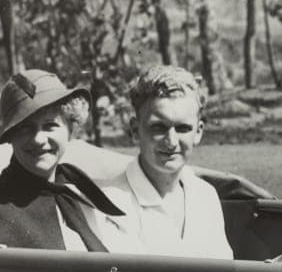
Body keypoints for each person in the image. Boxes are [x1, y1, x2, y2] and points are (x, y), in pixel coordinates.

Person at [0, 69, 126, 250]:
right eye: (25, 128)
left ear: (70, 129)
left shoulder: (78, 191)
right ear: (10, 136)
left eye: (50, 125)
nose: (38, 139)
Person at [96, 65, 233, 259]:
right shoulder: (112, 204)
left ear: (199, 132)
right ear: (135, 130)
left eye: (183, 128)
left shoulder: (205, 195)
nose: (171, 142)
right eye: (158, 127)